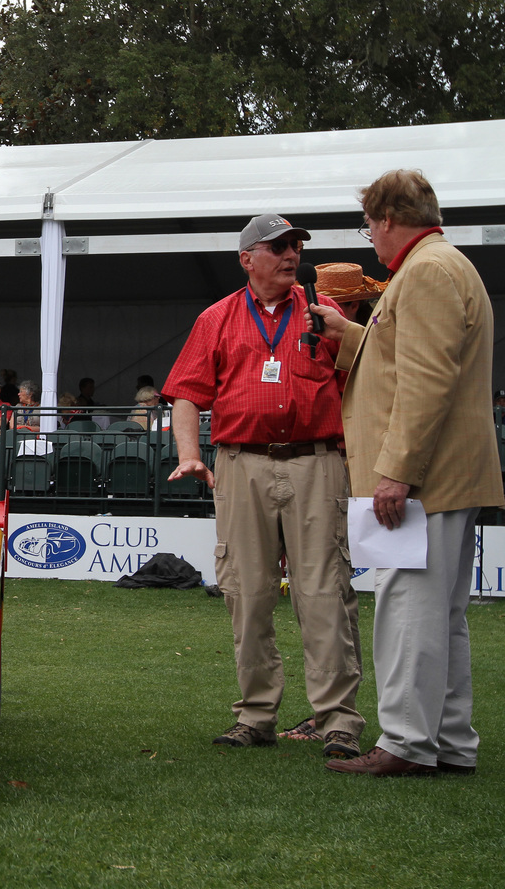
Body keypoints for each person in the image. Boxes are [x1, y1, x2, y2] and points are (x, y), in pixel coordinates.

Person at [313, 170, 504, 778]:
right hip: (444, 476)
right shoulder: (440, 266)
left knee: (409, 609)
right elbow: (410, 361)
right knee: (439, 616)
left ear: (389, 219)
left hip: (424, 479)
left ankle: (404, 744)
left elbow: (425, 382)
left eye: (368, 223)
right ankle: (447, 743)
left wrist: (395, 473)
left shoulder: (425, 272)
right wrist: (350, 337)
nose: (368, 236)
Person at [161, 213, 364, 759]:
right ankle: (255, 715)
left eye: (294, 246)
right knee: (246, 593)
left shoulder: (327, 314)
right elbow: (186, 395)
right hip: (240, 463)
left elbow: (363, 384)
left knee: (323, 591)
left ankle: (339, 719)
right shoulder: (217, 318)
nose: (290, 254)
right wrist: (188, 455)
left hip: (316, 462)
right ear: (246, 258)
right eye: (276, 247)